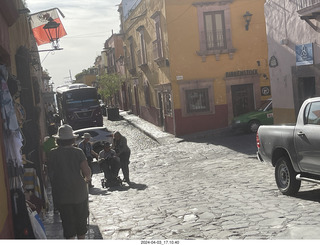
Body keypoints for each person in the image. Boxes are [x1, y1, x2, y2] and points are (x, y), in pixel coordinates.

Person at [47, 124, 91, 239]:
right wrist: (87, 179)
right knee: (81, 225)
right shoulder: (78, 152)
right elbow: (87, 172)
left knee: (68, 226)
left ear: (58, 140)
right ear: (72, 139)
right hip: (79, 194)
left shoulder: (52, 153)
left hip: (62, 195)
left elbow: (50, 174)